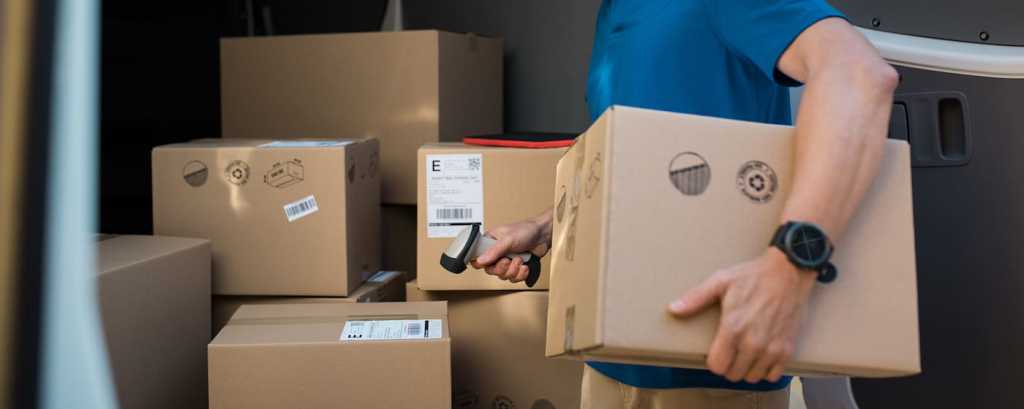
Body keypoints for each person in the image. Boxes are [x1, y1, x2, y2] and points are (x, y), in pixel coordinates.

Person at [470, 0, 898, 408]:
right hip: (610, 358)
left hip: (714, 370)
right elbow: (641, 169)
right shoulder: (616, 11)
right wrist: (547, 227)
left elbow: (857, 75)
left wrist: (791, 266)